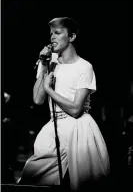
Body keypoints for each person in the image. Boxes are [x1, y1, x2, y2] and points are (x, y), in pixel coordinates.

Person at [18, 17, 110, 191]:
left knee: (82, 184)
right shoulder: (49, 64)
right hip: (54, 125)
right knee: (32, 176)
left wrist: (49, 89)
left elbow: (76, 109)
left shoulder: (84, 67)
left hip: (79, 128)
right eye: (51, 34)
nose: (52, 37)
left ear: (72, 37)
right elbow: (38, 100)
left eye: (58, 33)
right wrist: (44, 66)